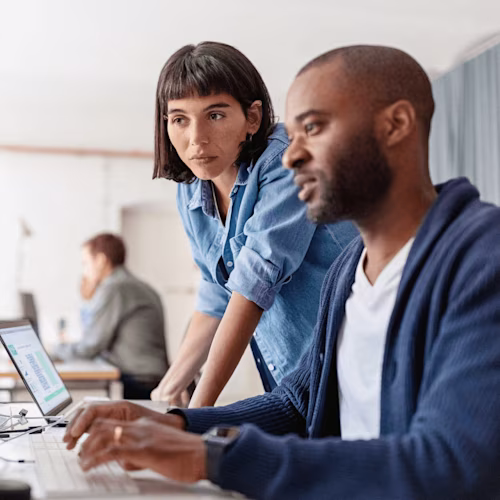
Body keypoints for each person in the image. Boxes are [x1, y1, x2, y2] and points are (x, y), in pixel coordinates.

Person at [64, 45, 500, 499]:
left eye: (312, 128)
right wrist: (174, 423)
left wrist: (210, 457)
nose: (290, 156)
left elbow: (452, 465)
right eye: (293, 134)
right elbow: (296, 404)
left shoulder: (482, 259)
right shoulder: (348, 273)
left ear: (395, 125)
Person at [149, 42, 357, 407]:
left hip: (352, 369)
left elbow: (253, 284)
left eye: (214, 115)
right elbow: (217, 294)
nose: (196, 138)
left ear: (253, 118)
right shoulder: (191, 189)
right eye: (180, 119)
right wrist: (168, 390)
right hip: (294, 384)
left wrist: (195, 415)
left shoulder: (287, 161)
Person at [54, 233, 169, 399]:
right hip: (152, 378)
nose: (84, 271)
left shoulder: (115, 288)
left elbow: (90, 347)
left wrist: (53, 351)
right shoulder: (135, 285)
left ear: (101, 260)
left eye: (85, 263)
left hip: (138, 382)